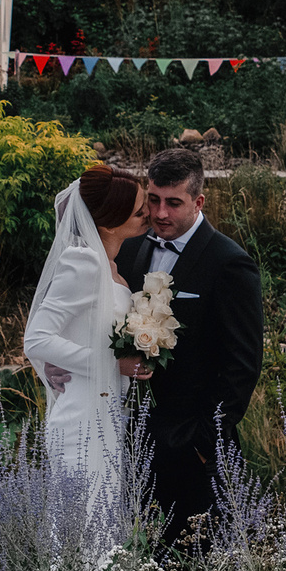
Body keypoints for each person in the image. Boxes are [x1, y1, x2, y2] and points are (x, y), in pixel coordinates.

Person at [113, 145, 263, 542]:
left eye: (174, 203)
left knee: (197, 562)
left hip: (193, 449)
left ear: (198, 202)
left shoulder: (230, 263)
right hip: (133, 438)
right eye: (154, 200)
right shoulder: (132, 248)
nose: (160, 213)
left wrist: (202, 441)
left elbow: (242, 366)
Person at [22, 165, 153, 539]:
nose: (148, 214)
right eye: (140, 208)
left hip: (109, 414)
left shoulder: (113, 266)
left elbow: (81, 335)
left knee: (103, 528)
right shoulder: (83, 262)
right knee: (81, 531)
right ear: (110, 223)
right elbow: (37, 338)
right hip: (81, 418)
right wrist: (111, 363)